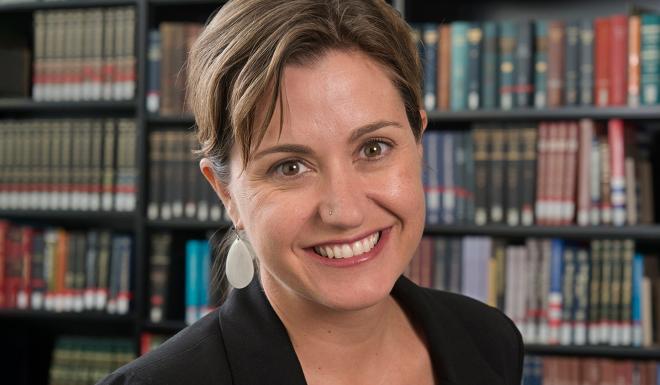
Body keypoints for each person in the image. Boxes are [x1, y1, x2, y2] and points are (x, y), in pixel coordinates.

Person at [99, 0, 523, 384]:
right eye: (290, 167)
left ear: (418, 143)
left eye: (374, 148)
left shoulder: (489, 340)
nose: (344, 210)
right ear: (226, 192)